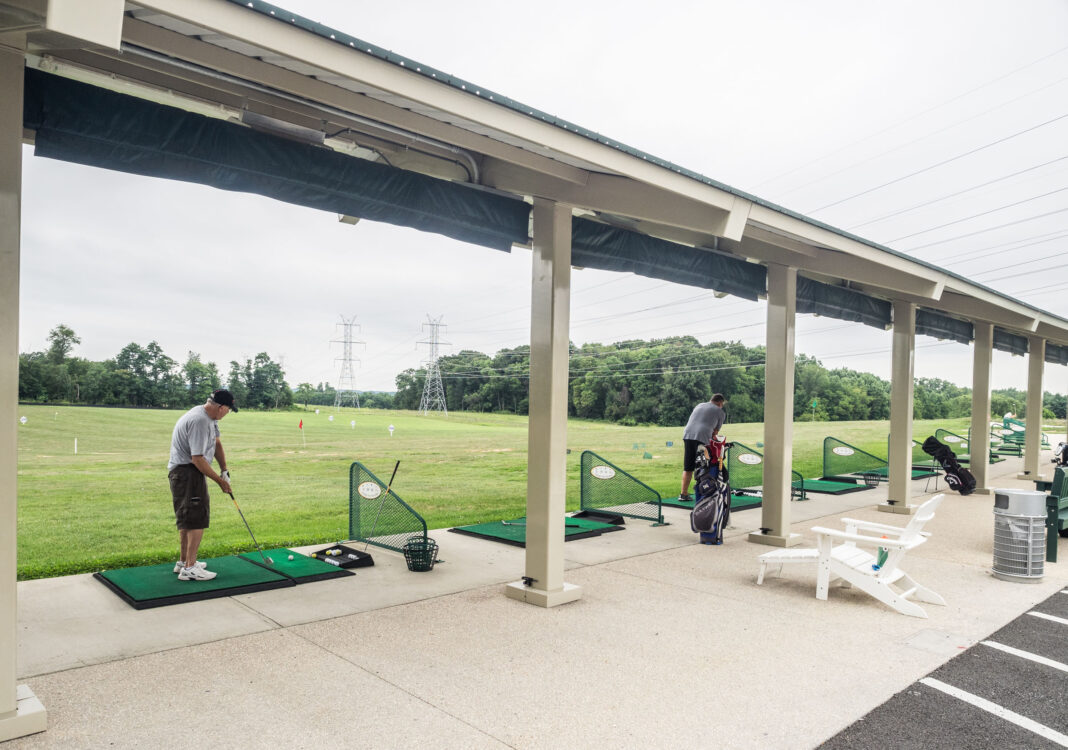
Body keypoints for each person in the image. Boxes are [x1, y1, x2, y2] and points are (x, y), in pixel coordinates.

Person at [167, 389, 237, 580]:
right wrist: (220, 482)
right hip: (187, 472)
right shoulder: (199, 421)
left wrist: (224, 469)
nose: (228, 413)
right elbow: (197, 458)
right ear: (220, 407)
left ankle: (184, 562)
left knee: (188, 518)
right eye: (229, 409)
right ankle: (190, 569)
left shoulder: (209, 418)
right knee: (196, 519)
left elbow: (217, 443)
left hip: (187, 473)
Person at [680, 393, 727, 501]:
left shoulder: (699, 405)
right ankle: (704, 491)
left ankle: (683, 494)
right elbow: (715, 432)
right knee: (704, 465)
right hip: (702, 437)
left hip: (687, 435)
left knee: (688, 466)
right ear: (720, 403)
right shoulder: (720, 412)